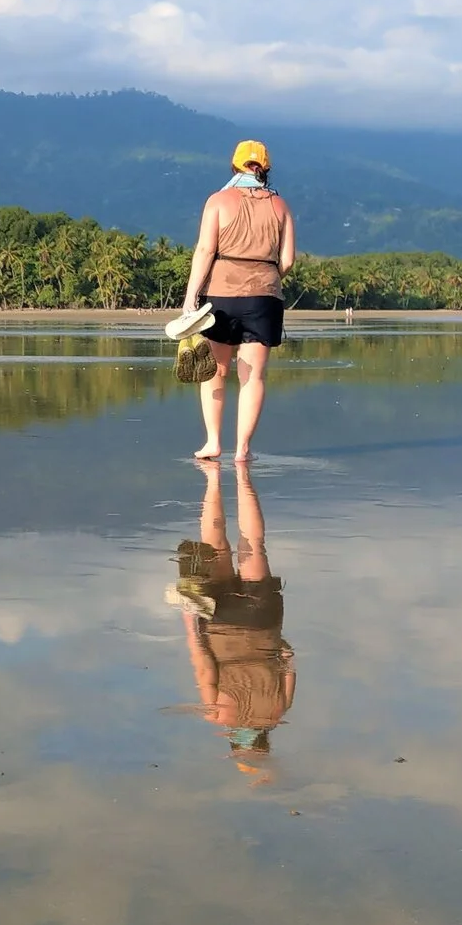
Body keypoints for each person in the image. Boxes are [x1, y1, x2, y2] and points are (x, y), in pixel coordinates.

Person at [174, 462, 296, 773]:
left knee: (253, 547)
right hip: (221, 626)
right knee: (215, 550)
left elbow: (288, 659)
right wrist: (190, 619)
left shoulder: (280, 711)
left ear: (265, 740)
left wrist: (273, 640)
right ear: (232, 740)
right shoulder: (217, 715)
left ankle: (242, 477)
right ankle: (213, 480)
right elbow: (202, 664)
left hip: (263, 620)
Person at [182, 139, 296, 463]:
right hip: (265, 296)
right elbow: (287, 260)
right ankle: (243, 450)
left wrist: (191, 298)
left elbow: (204, 251)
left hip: (220, 294)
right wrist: (266, 280)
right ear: (266, 169)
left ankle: (213, 443)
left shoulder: (218, 201)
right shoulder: (281, 206)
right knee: (253, 377)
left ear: (234, 166)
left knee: (215, 372)